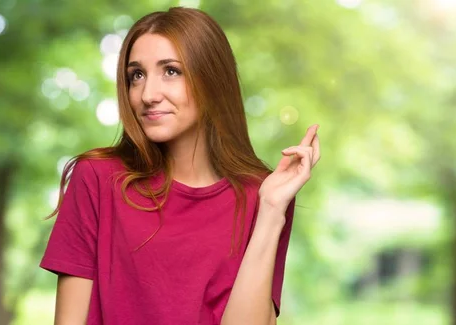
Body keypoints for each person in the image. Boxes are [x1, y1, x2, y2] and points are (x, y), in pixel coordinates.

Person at [40, 6, 320, 325]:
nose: (147, 94)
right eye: (137, 75)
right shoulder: (97, 177)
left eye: (171, 71)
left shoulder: (263, 194)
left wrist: (271, 211)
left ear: (211, 79)